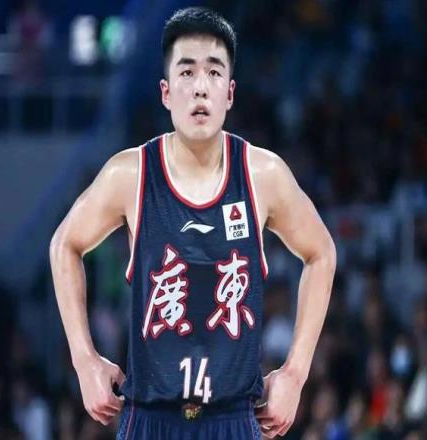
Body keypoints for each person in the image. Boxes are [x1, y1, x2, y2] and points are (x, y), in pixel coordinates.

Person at [50, 7, 336, 439]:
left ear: (230, 93)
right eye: (186, 72)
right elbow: (64, 245)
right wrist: (84, 359)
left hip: (233, 418)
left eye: (214, 72)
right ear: (165, 92)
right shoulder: (130, 174)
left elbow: (322, 253)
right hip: (150, 418)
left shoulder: (263, 175)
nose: (200, 87)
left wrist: (295, 373)